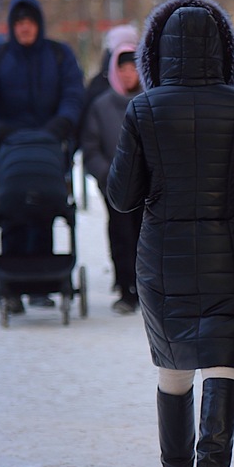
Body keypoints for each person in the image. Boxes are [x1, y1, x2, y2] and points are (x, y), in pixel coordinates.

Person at [106, 0, 234, 467]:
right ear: (225, 53)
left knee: (173, 368)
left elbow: (122, 196)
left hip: (162, 258)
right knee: (223, 364)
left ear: (157, 53)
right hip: (233, 256)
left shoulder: (142, 109)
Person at [0, 0, 84, 312]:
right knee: (12, 209)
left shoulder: (59, 56)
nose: (24, 29)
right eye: (19, 23)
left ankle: (43, 283)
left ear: (39, 24)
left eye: (29, 22)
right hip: (8, 146)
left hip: (49, 144)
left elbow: (74, 93)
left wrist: (62, 124)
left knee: (45, 205)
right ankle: (11, 285)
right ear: (12, 26)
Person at [81, 31, 143, 314]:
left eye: (134, 68)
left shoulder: (152, 102)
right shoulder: (101, 106)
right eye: (123, 68)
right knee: (121, 236)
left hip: (147, 187)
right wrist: (109, 175)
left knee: (146, 237)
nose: (128, 74)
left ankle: (147, 288)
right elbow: (91, 148)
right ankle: (126, 288)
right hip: (114, 186)